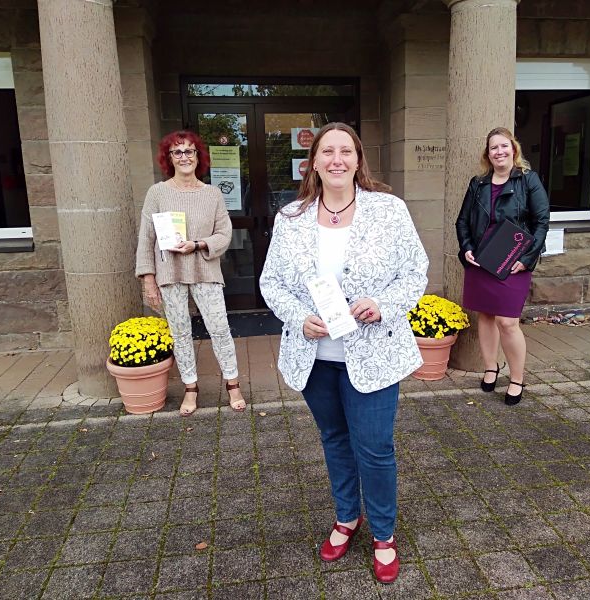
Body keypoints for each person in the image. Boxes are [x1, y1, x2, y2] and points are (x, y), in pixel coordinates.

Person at [259, 123, 427, 584]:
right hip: (315, 356)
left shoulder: (388, 210)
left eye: (346, 151)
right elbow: (271, 283)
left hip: (373, 354)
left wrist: (383, 303)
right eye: (328, 151)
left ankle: (384, 534)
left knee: (374, 448)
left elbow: (415, 272)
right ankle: (347, 517)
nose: (337, 159)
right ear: (313, 161)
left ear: (357, 159)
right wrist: (298, 317)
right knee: (334, 439)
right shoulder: (291, 217)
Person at [135, 130, 246, 415]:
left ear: (198, 156)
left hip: (205, 270)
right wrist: (148, 279)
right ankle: (190, 388)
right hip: (169, 273)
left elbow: (224, 233)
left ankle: (233, 384)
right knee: (180, 333)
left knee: (220, 329)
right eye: (177, 152)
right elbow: (146, 238)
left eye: (189, 151)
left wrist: (197, 244)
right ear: (169, 158)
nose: (184, 156)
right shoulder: (157, 193)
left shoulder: (212, 194)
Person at [455, 127, 550, 405]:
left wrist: (527, 259)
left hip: (514, 260)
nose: (499, 152)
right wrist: (466, 247)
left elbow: (541, 222)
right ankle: (490, 368)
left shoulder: (528, 180)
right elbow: (462, 221)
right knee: (485, 316)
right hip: (481, 260)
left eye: (504, 146)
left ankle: (517, 378)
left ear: (513, 148)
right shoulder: (478, 183)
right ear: (488, 154)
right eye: (493, 147)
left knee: (507, 321)